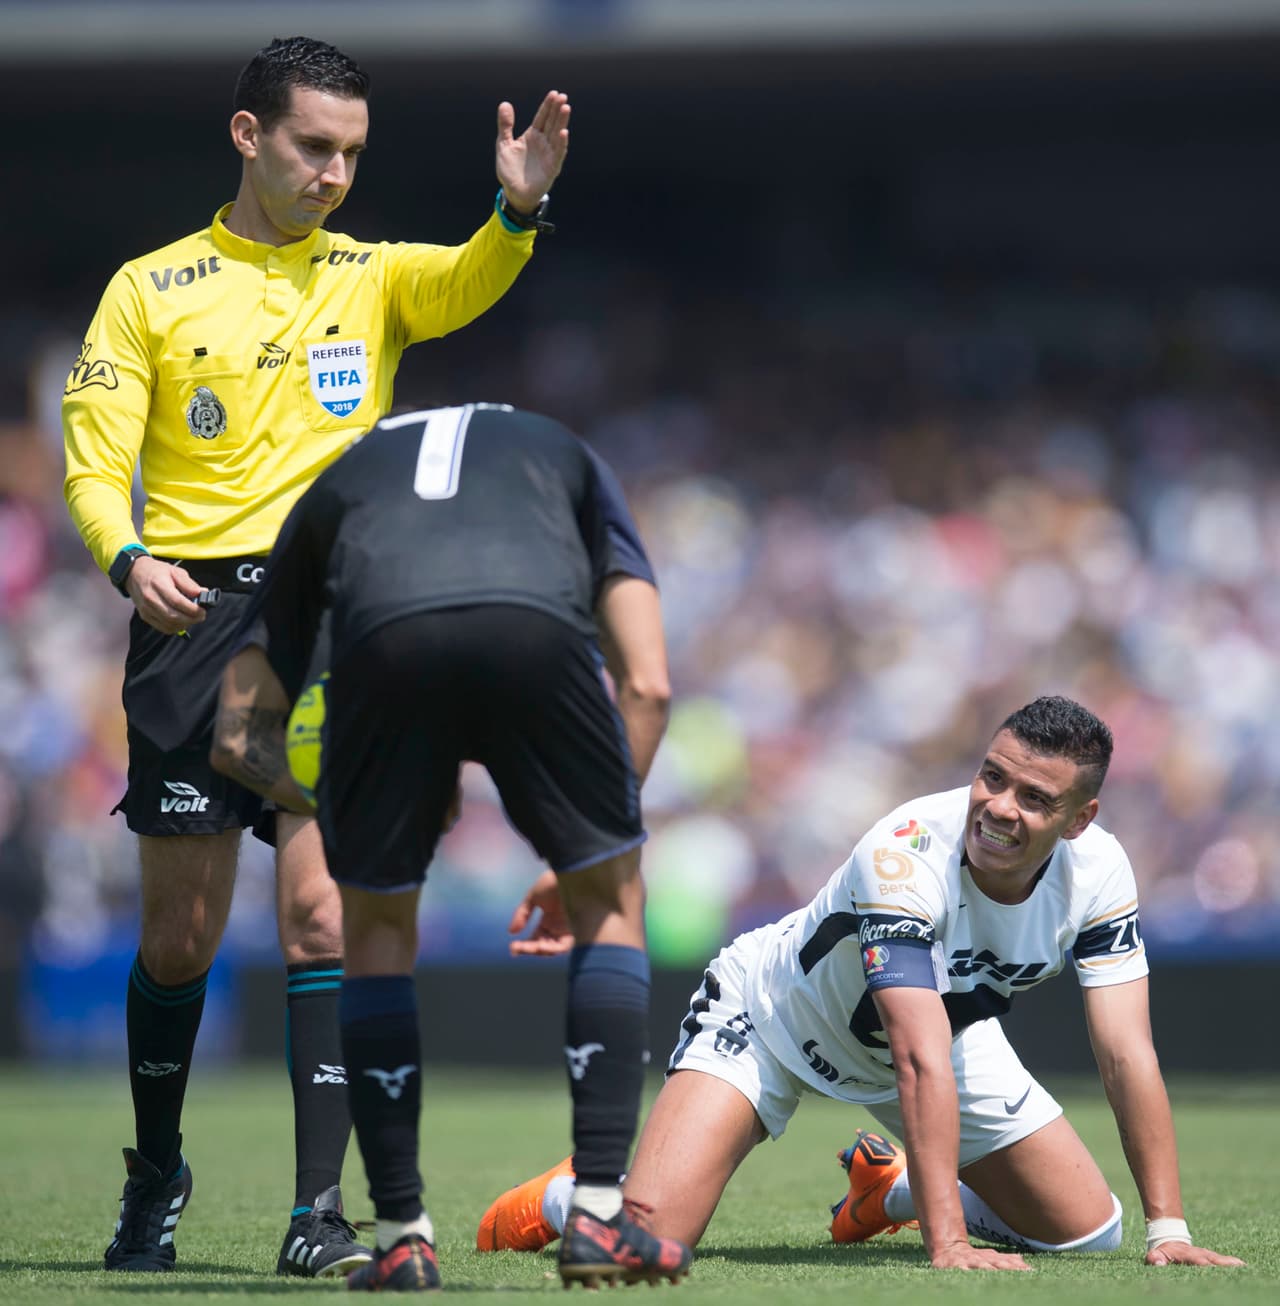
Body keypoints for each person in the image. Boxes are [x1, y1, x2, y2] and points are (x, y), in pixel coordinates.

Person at [61, 35, 569, 1277]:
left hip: (338, 620)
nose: (335, 173)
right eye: (312, 147)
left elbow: (463, 283)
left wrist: (516, 208)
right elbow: (91, 449)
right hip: (189, 622)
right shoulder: (149, 287)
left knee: (319, 915)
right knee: (179, 943)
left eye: (351, 152)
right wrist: (127, 557)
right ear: (248, 136)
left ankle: (314, 1216)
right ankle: (156, 1172)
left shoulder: (374, 274)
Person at [477, 696, 1246, 1273]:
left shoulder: (1101, 874)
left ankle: (890, 1191)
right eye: (993, 778)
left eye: (1035, 799)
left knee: (1085, 1233)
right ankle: (566, 1193)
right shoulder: (905, 853)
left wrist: (1169, 1229)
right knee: (646, 1242)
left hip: (943, 1039)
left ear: (1080, 820)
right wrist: (948, 1243)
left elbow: (1125, 1053)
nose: (999, 809)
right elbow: (916, 1059)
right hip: (778, 1017)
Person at [208, 402, 694, 1291]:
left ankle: (400, 1235)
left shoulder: (336, 482)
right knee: (614, 902)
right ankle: (596, 1218)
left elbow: (238, 735)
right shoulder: (571, 455)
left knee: (378, 929)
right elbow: (650, 684)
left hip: (384, 644)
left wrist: (351, 801)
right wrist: (587, 855)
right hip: (534, 630)